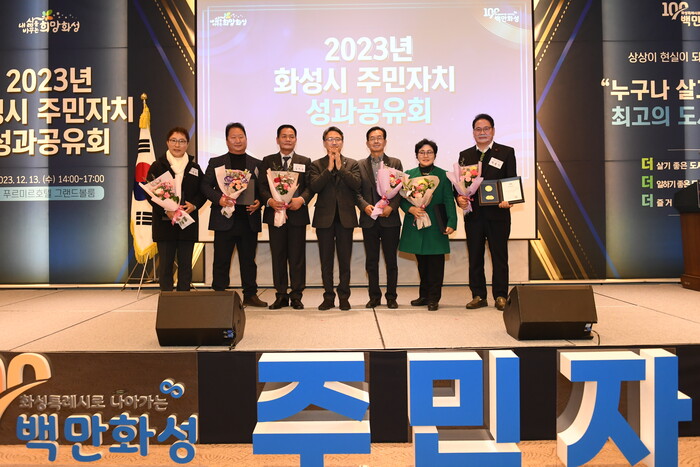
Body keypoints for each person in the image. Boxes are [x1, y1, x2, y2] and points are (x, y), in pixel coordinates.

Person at [201, 122, 267, 307]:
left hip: (248, 220)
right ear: (227, 140)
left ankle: (250, 295)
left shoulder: (257, 164)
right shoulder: (216, 163)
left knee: (249, 261)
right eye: (233, 137)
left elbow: (263, 189)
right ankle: (219, 295)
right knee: (221, 260)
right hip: (224, 218)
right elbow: (205, 186)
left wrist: (259, 202)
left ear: (246, 139)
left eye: (241, 137)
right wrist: (219, 199)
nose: (238, 141)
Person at [457, 113, 517, 311]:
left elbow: (511, 180)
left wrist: (509, 199)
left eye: (486, 128)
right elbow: (459, 184)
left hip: (498, 215)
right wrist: (459, 198)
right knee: (475, 256)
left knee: (499, 256)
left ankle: (500, 295)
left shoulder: (506, 152)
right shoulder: (465, 155)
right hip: (473, 215)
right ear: (473, 132)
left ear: (493, 130)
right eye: (478, 129)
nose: (482, 132)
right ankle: (478, 295)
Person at [258, 124, 314, 310]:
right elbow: (261, 187)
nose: (288, 139)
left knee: (297, 257)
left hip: (297, 215)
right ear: (277, 140)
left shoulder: (305, 161)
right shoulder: (268, 161)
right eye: (284, 136)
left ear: (296, 140)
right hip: (275, 215)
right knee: (278, 256)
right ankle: (281, 295)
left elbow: (310, 187)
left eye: (291, 136)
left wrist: (301, 199)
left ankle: (297, 295)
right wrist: (269, 201)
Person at [399, 139, 457, 311]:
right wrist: (411, 209)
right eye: (422, 152)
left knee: (436, 263)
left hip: (436, 223)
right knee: (422, 262)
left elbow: (449, 200)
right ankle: (423, 295)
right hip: (416, 222)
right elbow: (401, 199)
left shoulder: (443, 175)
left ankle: (434, 298)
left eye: (429, 152)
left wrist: (452, 222)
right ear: (416, 155)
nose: (425, 155)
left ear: (435, 155)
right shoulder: (408, 175)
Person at [308, 126, 361, 311]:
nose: (334, 142)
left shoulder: (352, 163)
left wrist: (340, 168)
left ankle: (344, 296)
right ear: (324, 143)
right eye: (330, 139)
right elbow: (314, 187)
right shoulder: (316, 164)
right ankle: (328, 296)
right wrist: (329, 169)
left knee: (345, 260)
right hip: (324, 218)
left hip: (346, 218)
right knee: (326, 260)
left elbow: (356, 184)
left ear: (342, 142)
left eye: (337, 139)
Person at [147, 127, 206, 291]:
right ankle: (167, 298)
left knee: (186, 265)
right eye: (173, 140)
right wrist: (166, 210)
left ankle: (183, 298)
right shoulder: (157, 166)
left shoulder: (194, 168)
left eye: (181, 141)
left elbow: (203, 192)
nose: (177, 145)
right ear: (167, 142)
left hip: (187, 223)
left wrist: (194, 205)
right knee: (165, 265)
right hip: (164, 224)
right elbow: (150, 194)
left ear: (187, 144)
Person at [355, 126, 403, 309]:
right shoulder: (359, 165)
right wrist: (364, 206)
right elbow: (356, 192)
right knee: (371, 261)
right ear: (367, 143)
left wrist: (392, 207)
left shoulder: (395, 162)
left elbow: (402, 189)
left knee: (391, 260)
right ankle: (374, 296)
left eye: (379, 138)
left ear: (385, 141)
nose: (376, 141)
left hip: (390, 219)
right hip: (369, 219)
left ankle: (391, 297)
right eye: (372, 138)